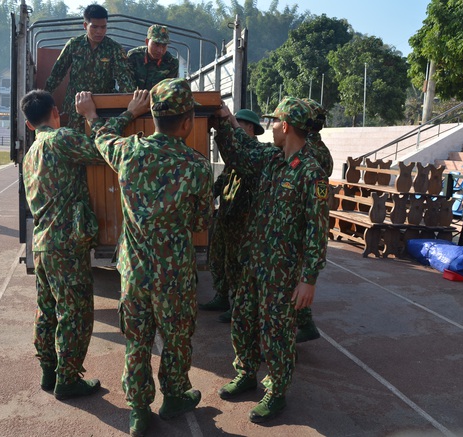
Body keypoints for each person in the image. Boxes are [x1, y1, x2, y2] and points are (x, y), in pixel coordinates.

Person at [75, 80, 213, 437]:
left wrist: (93, 114)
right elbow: (201, 223)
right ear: (186, 122)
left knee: (136, 342)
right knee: (177, 338)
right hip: (176, 275)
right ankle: (175, 397)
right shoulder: (197, 167)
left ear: (152, 116)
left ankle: (137, 411)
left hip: (135, 273)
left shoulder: (129, 152)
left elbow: (101, 137)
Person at [213, 97, 329, 423]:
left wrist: (309, 278)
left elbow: (317, 232)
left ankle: (277, 391)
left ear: (286, 125)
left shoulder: (311, 173)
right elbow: (240, 150)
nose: (272, 128)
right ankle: (246, 371)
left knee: (276, 331)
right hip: (256, 261)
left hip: (284, 271)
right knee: (243, 318)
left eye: (275, 122)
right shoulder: (271, 159)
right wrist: (223, 121)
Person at [20, 89, 116, 400]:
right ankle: (69, 379)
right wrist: (94, 117)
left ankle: (49, 372)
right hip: (66, 245)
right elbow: (104, 151)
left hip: (42, 243)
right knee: (76, 314)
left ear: (29, 124)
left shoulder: (30, 154)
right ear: (56, 111)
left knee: (47, 311)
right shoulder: (61, 139)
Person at [200, 109, 263, 324]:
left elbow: (238, 160)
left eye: (239, 124)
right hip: (226, 215)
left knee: (236, 266)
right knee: (217, 259)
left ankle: (238, 306)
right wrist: (208, 196)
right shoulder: (235, 159)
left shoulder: (257, 155)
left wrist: (228, 126)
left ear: (250, 129)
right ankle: (222, 296)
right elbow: (222, 181)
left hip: (242, 221)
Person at [44, 3, 135, 133]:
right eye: (95, 27)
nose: (99, 31)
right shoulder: (74, 45)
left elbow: (124, 78)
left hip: (102, 109)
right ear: (85, 25)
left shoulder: (114, 49)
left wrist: (129, 106)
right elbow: (57, 74)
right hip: (77, 107)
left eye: (103, 27)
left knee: (99, 142)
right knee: (76, 145)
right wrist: (44, 100)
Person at [293, 98, 333, 344]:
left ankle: (301, 326)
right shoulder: (321, 149)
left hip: (301, 220)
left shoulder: (310, 151)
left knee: (295, 281)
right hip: (304, 219)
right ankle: (305, 324)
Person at [127, 24, 179, 90]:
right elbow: (127, 86)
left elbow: (168, 91)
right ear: (147, 42)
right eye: (156, 45)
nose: (160, 50)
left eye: (164, 46)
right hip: (134, 98)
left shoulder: (172, 62)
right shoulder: (134, 56)